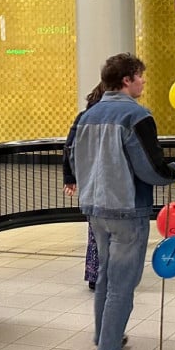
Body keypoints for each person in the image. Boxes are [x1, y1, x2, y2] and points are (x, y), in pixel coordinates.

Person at [71, 53, 175, 350]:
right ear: (128, 79)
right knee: (122, 286)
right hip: (127, 209)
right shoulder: (136, 116)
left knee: (104, 279)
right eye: (141, 76)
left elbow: (73, 158)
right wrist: (172, 174)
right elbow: (149, 165)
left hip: (94, 209)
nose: (144, 82)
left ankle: (104, 342)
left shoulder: (88, 115)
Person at [63, 83, 105, 290]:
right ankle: (109, 272)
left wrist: (70, 177)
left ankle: (94, 273)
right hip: (109, 180)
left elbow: (69, 147)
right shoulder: (116, 118)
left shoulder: (84, 117)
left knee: (95, 228)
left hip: (90, 181)